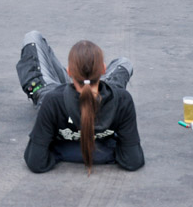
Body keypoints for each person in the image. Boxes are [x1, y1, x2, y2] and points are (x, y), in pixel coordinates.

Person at [15, 31, 143, 174]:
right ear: (103, 69)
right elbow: (133, 160)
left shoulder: (52, 101)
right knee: (124, 62)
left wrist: (58, 148)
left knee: (33, 37)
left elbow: (36, 161)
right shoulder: (122, 99)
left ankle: (71, 78)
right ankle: (87, 77)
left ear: (69, 72)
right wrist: (105, 148)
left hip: (53, 93)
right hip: (95, 92)